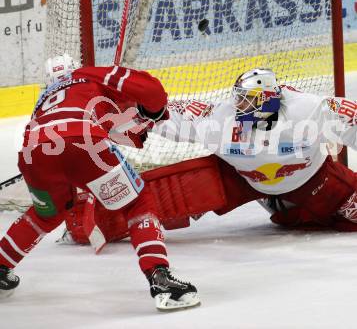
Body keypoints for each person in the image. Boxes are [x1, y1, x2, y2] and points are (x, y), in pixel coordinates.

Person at [56, 68, 357, 248]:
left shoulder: (311, 111)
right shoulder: (222, 119)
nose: (238, 105)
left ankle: (288, 209)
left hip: (313, 180)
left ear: (269, 100)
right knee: (162, 199)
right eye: (238, 97)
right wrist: (118, 118)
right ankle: (85, 223)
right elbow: (162, 114)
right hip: (237, 179)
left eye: (247, 100)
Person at [0, 54, 200, 311]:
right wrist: (153, 111)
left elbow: (107, 126)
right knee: (137, 202)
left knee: (46, 214)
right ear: (76, 68)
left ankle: (2, 264)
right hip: (81, 141)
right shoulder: (88, 75)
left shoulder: (44, 99)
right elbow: (152, 91)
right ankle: (160, 279)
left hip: (33, 153)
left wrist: (136, 122)